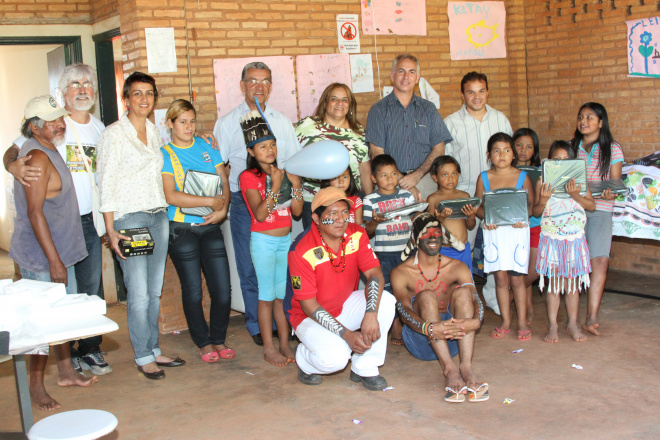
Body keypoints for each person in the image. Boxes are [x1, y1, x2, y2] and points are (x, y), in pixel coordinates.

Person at [4, 64, 112, 375]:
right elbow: (12, 153)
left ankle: (87, 351)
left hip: (86, 223)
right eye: (74, 84)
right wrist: (13, 166)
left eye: (87, 83)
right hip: (52, 229)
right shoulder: (39, 142)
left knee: (86, 292)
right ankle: (58, 367)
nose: (82, 89)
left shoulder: (98, 128)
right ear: (62, 94)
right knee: (51, 301)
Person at [9, 95, 98, 410]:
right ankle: (34, 388)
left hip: (59, 251)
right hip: (42, 257)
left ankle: (65, 371)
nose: (60, 123)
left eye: (60, 118)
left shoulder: (47, 149)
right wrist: (54, 262)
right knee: (41, 326)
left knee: (61, 319)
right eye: (51, 120)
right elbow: (35, 214)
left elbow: (10, 152)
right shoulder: (36, 159)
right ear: (34, 127)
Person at [97, 72, 184, 380]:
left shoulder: (153, 130)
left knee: (154, 291)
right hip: (130, 219)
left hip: (157, 216)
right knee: (138, 293)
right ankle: (143, 355)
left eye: (149, 93)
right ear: (126, 98)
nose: (144, 99)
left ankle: (154, 349)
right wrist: (110, 230)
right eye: (137, 93)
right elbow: (105, 183)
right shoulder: (114, 134)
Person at [213, 61, 301, 346]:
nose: (259, 87)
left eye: (264, 81)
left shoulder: (282, 121)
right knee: (250, 265)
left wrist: (293, 189)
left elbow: (293, 162)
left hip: (284, 201)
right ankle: (256, 324)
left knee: (283, 267)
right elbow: (220, 165)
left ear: (271, 86)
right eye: (252, 81)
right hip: (245, 200)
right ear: (242, 86)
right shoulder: (227, 123)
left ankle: (284, 322)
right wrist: (223, 201)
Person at [286, 187, 396, 390]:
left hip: (343, 305)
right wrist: (346, 334)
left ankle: (365, 366)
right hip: (309, 317)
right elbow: (308, 304)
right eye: (332, 213)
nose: (341, 219)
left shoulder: (356, 234)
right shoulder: (301, 249)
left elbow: (374, 274)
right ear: (317, 219)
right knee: (336, 360)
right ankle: (304, 357)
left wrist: (371, 314)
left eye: (345, 212)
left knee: (386, 301)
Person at [160, 99, 234, 363]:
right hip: (181, 230)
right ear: (170, 124)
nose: (188, 127)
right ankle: (203, 343)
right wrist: (210, 202)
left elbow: (223, 180)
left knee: (222, 290)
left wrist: (222, 210)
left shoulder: (207, 146)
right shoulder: (165, 153)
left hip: (212, 226)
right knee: (192, 290)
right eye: (182, 122)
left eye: (192, 121)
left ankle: (219, 338)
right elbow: (171, 195)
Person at [391, 213, 487, 403]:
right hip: (421, 340)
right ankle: (449, 369)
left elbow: (475, 299)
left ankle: (465, 367)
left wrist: (477, 321)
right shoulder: (401, 272)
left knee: (464, 293)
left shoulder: (457, 266)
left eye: (437, 232)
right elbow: (402, 310)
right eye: (427, 233)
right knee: (426, 295)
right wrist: (430, 328)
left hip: (455, 340)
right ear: (416, 238)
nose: (433, 237)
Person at [444, 72, 513, 315]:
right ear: (462, 94)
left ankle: (493, 296)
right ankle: (462, 298)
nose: (476, 96)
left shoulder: (500, 119)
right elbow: (447, 161)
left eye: (481, 91)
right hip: (465, 195)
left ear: (488, 92)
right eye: (471, 92)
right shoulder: (451, 122)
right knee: (462, 247)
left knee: (497, 247)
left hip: (496, 194)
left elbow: (508, 154)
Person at [239, 109, 303, 366]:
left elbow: (297, 212)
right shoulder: (248, 177)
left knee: (281, 295)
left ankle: (285, 344)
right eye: (262, 146)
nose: (269, 150)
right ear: (251, 152)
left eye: (273, 145)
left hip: (284, 241)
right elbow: (261, 214)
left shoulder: (285, 172)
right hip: (264, 242)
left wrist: (295, 187)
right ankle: (268, 348)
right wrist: (276, 186)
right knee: (266, 295)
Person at [366, 54, 453, 200]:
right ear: (392, 75)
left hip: (425, 181)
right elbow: (377, 153)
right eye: (401, 71)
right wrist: (403, 181)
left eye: (411, 72)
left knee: (427, 222)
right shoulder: (378, 110)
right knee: (393, 224)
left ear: (417, 77)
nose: (406, 76)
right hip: (389, 183)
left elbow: (439, 149)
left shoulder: (429, 109)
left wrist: (416, 176)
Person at [533, 141, 595, 343]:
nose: (561, 163)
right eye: (556, 160)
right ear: (549, 161)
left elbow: (591, 206)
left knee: (572, 285)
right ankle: (553, 325)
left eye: (566, 160)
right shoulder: (543, 181)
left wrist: (575, 195)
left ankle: (572, 323)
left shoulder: (579, 181)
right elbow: (536, 212)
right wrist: (543, 199)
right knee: (554, 286)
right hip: (552, 238)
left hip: (574, 238)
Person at [570, 102, 623, 336]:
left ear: (601, 123)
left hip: (601, 209)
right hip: (574, 210)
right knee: (572, 262)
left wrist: (611, 191)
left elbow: (615, 182)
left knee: (599, 261)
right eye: (581, 117)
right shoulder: (572, 147)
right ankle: (571, 317)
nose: (584, 121)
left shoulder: (613, 148)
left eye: (590, 117)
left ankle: (591, 316)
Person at [475, 133, 534, 341]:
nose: (502, 155)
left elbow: (529, 206)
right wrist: (486, 218)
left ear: (514, 154)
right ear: (489, 154)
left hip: (517, 231)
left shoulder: (522, 176)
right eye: (496, 151)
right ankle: (506, 322)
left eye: (507, 150)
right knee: (500, 278)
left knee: (517, 279)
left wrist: (522, 218)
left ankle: (522, 322)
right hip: (494, 232)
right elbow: (479, 208)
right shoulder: (484, 177)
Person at [295, 82, 371, 229]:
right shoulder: (306, 126)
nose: (339, 103)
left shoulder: (359, 132)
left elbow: (365, 169)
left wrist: (369, 200)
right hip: (315, 201)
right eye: (334, 99)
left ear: (350, 105)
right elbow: (291, 159)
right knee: (318, 249)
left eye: (344, 100)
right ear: (325, 102)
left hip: (350, 202)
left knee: (350, 247)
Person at [363, 154, 417, 292]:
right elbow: (368, 231)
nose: (390, 179)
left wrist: (420, 209)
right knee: (388, 289)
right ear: (373, 178)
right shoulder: (370, 200)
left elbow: (414, 220)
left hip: (408, 251)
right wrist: (375, 222)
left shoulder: (406, 195)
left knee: (410, 287)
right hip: (385, 254)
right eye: (383, 175)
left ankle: (407, 313)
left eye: (393, 174)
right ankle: (391, 314)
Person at [426, 156, 478, 271]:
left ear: (459, 175)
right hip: (443, 250)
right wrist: (440, 219)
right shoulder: (433, 199)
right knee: (446, 284)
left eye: (454, 174)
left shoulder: (464, 197)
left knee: (465, 282)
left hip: (463, 249)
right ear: (435, 178)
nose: (450, 178)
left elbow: (470, 226)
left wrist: (471, 216)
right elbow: (429, 230)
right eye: (445, 174)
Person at [514, 128, 542, 324]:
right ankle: (528, 308)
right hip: (514, 227)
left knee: (535, 269)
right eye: (519, 145)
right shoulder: (505, 170)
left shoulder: (541, 172)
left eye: (529, 146)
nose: (523, 150)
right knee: (523, 269)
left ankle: (509, 295)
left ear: (535, 149)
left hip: (536, 224)